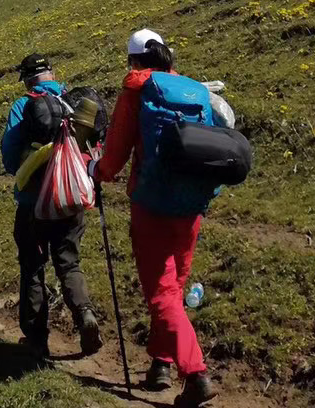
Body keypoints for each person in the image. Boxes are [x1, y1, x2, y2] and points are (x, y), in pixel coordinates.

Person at [94, 29, 216, 408]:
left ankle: (195, 374)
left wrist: (98, 171)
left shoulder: (136, 91)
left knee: (161, 294)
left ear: (134, 60)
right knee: (175, 288)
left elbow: (115, 155)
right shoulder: (194, 91)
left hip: (151, 205)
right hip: (191, 205)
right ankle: (161, 365)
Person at [1, 53, 101, 359]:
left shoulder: (24, 106)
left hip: (34, 202)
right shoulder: (76, 102)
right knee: (68, 262)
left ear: (28, 79)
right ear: (52, 74)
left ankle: (36, 338)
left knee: (32, 267)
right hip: (73, 198)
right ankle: (84, 314)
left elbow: (8, 155)